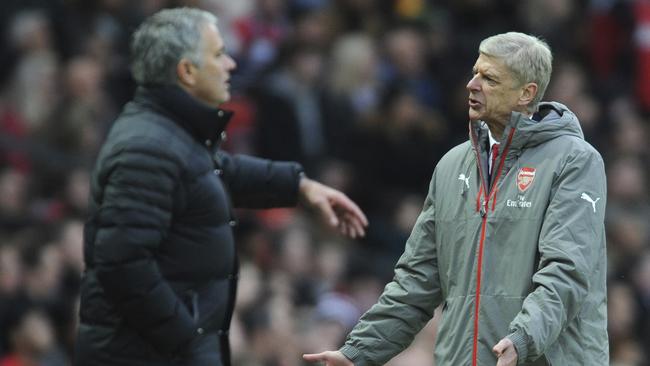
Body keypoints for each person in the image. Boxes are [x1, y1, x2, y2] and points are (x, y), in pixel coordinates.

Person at [73, 7, 368, 366]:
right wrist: (188, 339)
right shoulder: (147, 147)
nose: (230, 64)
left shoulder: (170, 133)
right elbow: (123, 264)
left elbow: (215, 171)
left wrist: (301, 187)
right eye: (218, 54)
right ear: (186, 71)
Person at [304, 32, 608, 366]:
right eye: (475, 72)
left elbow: (567, 271)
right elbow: (416, 281)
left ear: (527, 93)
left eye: (489, 78)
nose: (471, 84)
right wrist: (357, 353)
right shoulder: (451, 165)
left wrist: (523, 338)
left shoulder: (575, 160)